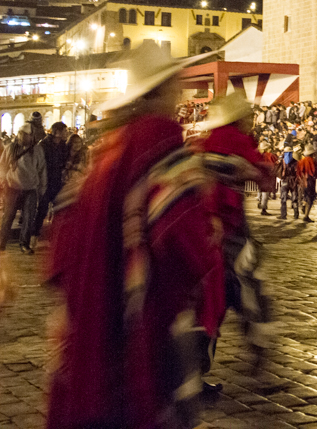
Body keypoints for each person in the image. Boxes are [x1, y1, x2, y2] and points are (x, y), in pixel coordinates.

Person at [45, 44, 222, 429]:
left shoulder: (106, 152)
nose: (179, 93)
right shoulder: (164, 148)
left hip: (94, 324)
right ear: (163, 90)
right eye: (175, 85)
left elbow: (62, 234)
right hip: (143, 325)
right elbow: (185, 240)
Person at [198, 92, 274, 380]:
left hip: (205, 227)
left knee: (208, 299)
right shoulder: (236, 141)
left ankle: (198, 367)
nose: (251, 121)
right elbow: (263, 180)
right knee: (248, 288)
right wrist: (260, 171)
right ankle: (258, 345)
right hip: (230, 229)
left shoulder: (207, 142)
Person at [0, 123, 46, 254]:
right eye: (23, 134)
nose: (25, 137)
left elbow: (42, 169)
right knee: (8, 216)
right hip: (12, 187)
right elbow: (3, 165)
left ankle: (24, 244)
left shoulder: (37, 150)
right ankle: (2, 242)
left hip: (30, 188)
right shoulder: (11, 148)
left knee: (28, 218)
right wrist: (4, 180)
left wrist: (42, 187)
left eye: (28, 135)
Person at [35, 121, 70, 247]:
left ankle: (54, 237)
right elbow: (39, 163)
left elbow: (64, 160)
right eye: (64, 131)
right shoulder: (44, 144)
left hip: (57, 181)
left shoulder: (63, 145)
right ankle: (34, 236)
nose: (66, 133)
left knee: (58, 209)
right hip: (46, 181)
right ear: (57, 132)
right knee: (42, 210)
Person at [297, 144, 317, 222]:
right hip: (310, 182)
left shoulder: (301, 161)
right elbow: (315, 172)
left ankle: (303, 206)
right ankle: (306, 215)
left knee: (305, 196)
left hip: (302, 182)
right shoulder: (313, 161)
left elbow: (298, 172)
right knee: (310, 198)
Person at [278, 145, 299, 219]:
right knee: (294, 198)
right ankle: (296, 214)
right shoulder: (295, 162)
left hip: (285, 180)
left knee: (283, 199)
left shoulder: (282, 161)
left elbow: (279, 170)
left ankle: (283, 215)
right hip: (293, 181)